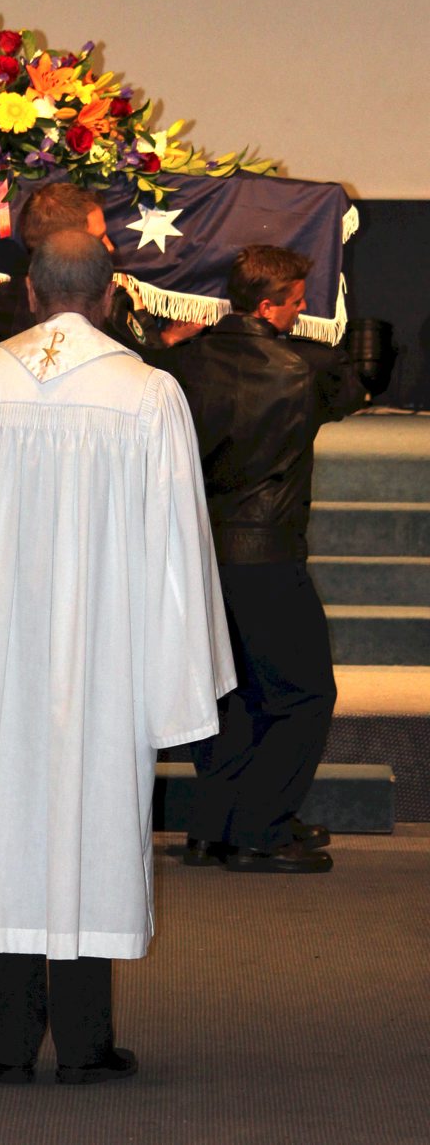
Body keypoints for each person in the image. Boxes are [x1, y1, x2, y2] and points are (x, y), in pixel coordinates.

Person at [0, 230, 235, 1082]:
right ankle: (84, 1041)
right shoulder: (149, 394)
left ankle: (4, 1042)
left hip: (4, 656)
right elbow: (177, 551)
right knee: (95, 821)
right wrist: (175, 676)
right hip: (106, 658)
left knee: (5, 820)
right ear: (109, 297)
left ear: (30, 293)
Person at [168, 244, 365, 872]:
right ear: (267, 307)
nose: (301, 310)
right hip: (267, 553)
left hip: (200, 555)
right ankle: (260, 829)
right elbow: (354, 390)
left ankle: (214, 827)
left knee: (232, 695)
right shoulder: (303, 369)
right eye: (295, 302)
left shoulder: (184, 363)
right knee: (304, 695)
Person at [0, 180, 204, 350]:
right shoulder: (103, 308)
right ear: (68, 244)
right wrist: (164, 336)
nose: (110, 247)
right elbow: (144, 367)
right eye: (100, 238)